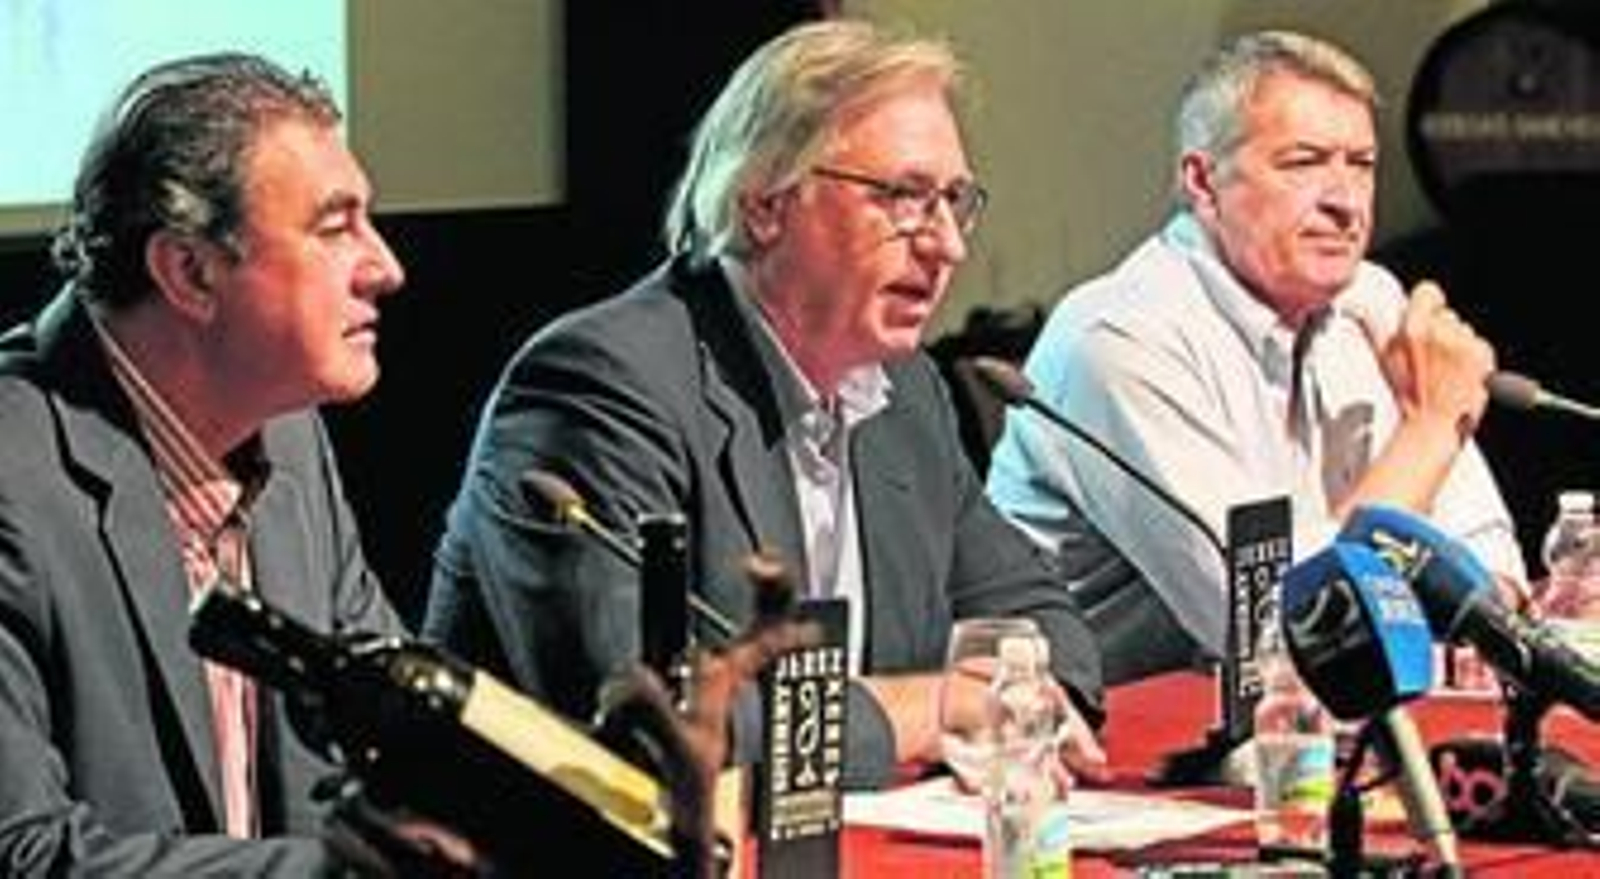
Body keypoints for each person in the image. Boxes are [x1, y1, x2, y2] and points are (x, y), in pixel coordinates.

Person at [424, 18, 1108, 792]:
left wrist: (989, 699)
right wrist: (933, 705)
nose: (947, 243)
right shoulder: (601, 385)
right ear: (764, 206)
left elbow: (1051, 632)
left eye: (955, 200)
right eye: (906, 198)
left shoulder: (906, 393)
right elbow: (642, 723)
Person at [986, 30, 1528, 686]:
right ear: (1203, 181)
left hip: (1288, 729)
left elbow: (1489, 561)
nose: (1345, 200)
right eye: (1304, 162)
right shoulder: (1121, 337)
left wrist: (1477, 606)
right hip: (1084, 743)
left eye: (1361, 163)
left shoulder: (1370, 302)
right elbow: (1280, 634)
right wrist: (1431, 428)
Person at [0, 53, 409, 873]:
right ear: (189, 271)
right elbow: (23, 851)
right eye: (336, 229)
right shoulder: (14, 476)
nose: (386, 268)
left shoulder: (289, 436)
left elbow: (398, 731)